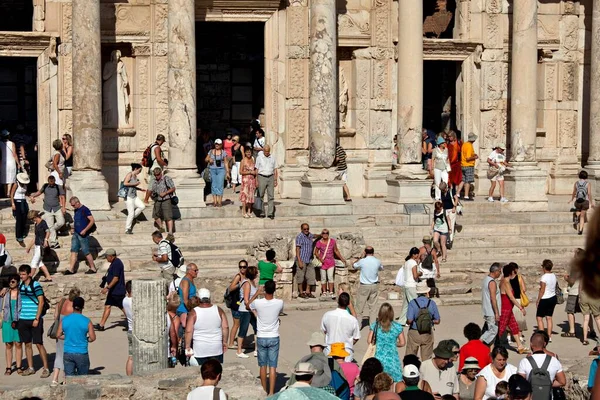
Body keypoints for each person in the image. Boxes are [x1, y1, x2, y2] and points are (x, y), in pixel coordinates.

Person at [250, 279, 284, 396]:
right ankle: (271, 392)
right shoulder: (279, 302)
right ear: (274, 290)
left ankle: (264, 390)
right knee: (273, 366)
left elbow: (248, 304)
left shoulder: (258, 303)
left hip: (261, 336)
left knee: (262, 365)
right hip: (273, 336)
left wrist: (257, 293)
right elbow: (278, 313)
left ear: (264, 289)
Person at [17, 265, 50, 377]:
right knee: (27, 344)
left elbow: (41, 302)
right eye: (20, 274)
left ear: (29, 274)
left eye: (23, 274)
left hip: (34, 319)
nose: (21, 276)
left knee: (39, 344)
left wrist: (37, 318)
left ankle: (46, 368)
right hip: (23, 318)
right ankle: (31, 367)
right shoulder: (21, 284)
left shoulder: (35, 285)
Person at [185, 288, 229, 366]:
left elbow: (189, 331)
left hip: (200, 348)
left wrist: (187, 346)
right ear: (209, 298)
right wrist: (224, 342)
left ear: (198, 299)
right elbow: (225, 327)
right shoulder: (219, 310)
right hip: (216, 347)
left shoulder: (193, 312)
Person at [56, 297, 95, 376]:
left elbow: (58, 335)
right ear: (82, 307)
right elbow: (92, 338)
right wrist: (86, 339)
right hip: (81, 352)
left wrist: (67, 337)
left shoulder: (65, 320)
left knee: (69, 377)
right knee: (83, 378)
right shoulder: (87, 321)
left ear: (72, 306)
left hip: (68, 352)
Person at [368, 303, 405, 382]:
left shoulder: (375, 325)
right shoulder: (397, 327)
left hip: (378, 358)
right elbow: (402, 343)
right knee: (394, 381)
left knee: (379, 381)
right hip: (392, 359)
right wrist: (393, 343)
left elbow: (369, 341)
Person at [50, 287, 79, 386]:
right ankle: (66, 378)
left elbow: (55, 316)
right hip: (69, 334)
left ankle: (54, 379)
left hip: (59, 331)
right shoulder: (75, 307)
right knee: (69, 357)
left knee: (59, 354)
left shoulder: (62, 302)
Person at [405, 280, 440, 361]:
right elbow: (437, 320)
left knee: (410, 358)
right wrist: (430, 321)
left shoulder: (412, 303)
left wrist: (407, 323)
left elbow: (409, 320)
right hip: (427, 332)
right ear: (426, 292)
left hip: (414, 331)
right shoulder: (431, 303)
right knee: (427, 359)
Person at [321, 292, 360, 361]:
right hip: (346, 352)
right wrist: (349, 343)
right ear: (348, 303)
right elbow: (356, 337)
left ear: (338, 302)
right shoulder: (352, 320)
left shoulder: (327, 315)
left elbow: (324, 330)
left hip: (330, 350)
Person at [498, 264, 528, 353]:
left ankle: (520, 346)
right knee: (501, 328)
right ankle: (493, 346)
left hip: (509, 308)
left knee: (514, 327)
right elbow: (511, 297)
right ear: (511, 272)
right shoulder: (505, 283)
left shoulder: (505, 281)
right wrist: (521, 308)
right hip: (505, 308)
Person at [94, 249, 126, 331]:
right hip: (113, 291)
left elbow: (116, 278)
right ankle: (101, 325)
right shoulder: (114, 263)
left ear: (111, 256)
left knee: (123, 307)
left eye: (106, 256)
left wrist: (107, 288)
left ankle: (132, 323)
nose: (106, 258)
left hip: (117, 290)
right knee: (107, 306)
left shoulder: (117, 264)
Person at [29, 175, 65, 249]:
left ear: (54, 181)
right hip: (47, 209)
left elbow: (62, 197)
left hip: (57, 208)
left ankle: (52, 230)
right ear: (48, 181)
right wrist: (33, 196)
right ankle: (53, 243)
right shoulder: (45, 186)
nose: (51, 184)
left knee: (61, 222)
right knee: (50, 225)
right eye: (50, 183)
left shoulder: (58, 187)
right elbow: (39, 192)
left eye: (52, 183)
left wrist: (63, 207)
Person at [64, 197, 98, 275]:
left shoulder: (85, 209)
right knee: (73, 251)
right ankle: (71, 269)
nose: (73, 207)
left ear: (77, 203)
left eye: (73, 205)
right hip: (76, 233)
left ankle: (93, 268)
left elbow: (92, 220)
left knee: (86, 251)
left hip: (83, 234)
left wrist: (85, 230)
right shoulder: (76, 210)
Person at [352, 246, 383, 325]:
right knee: (373, 307)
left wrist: (360, 257)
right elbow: (381, 268)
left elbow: (354, 265)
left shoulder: (362, 261)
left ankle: (358, 325)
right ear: (373, 252)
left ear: (365, 252)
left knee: (359, 307)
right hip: (374, 285)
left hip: (364, 286)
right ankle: (372, 326)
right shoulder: (377, 261)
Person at [314, 229, 347, 297]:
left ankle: (331, 292)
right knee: (323, 278)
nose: (325, 234)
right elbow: (316, 252)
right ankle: (324, 292)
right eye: (323, 233)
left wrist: (342, 258)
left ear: (328, 234)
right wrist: (320, 259)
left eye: (326, 233)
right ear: (322, 234)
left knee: (330, 277)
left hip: (331, 262)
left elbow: (336, 250)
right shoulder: (319, 242)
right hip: (323, 262)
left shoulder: (332, 241)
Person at [1, 274, 22, 376]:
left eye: (13, 281)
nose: (11, 283)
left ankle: (18, 366)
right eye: (10, 281)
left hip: (18, 321)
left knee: (18, 344)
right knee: (8, 344)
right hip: (7, 321)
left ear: (18, 282)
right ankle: (9, 367)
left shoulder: (21, 293)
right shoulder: (5, 293)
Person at [236, 265, 258, 358]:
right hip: (246, 310)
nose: (258, 273)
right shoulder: (247, 284)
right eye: (256, 272)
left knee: (257, 328)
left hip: (251, 309)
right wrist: (252, 310)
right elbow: (246, 300)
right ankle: (239, 350)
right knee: (243, 329)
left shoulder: (252, 282)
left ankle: (257, 349)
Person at [25, 211, 53, 282]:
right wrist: (29, 246)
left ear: (35, 217)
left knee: (34, 262)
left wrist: (46, 240)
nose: (32, 220)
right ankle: (48, 277)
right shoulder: (36, 224)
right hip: (37, 245)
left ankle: (30, 278)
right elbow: (36, 236)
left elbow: (48, 231)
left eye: (32, 219)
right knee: (40, 263)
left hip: (41, 246)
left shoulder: (43, 223)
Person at [226, 260, 248, 349]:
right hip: (236, 304)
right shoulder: (238, 277)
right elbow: (231, 288)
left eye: (244, 267)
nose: (242, 269)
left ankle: (241, 342)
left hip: (241, 304)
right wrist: (239, 285)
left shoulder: (246, 276)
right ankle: (231, 343)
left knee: (242, 323)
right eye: (240, 267)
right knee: (236, 324)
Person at [536, 259, 557, 342]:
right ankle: (549, 336)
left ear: (544, 267)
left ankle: (542, 336)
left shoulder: (544, 277)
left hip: (545, 298)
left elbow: (542, 290)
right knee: (549, 317)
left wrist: (538, 300)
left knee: (539, 317)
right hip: (553, 297)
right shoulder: (553, 275)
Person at [481, 263, 502, 346]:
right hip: (491, 311)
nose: (500, 273)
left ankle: (490, 350)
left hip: (487, 309)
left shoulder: (486, 279)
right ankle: (479, 343)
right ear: (495, 271)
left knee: (492, 331)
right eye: (499, 271)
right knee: (493, 331)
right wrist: (496, 313)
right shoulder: (492, 282)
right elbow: (493, 298)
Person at [255, 144, 278, 219]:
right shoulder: (259, 158)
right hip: (261, 176)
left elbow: (275, 169)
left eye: (268, 151)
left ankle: (270, 213)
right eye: (265, 151)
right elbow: (256, 169)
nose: (267, 153)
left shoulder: (273, 158)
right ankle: (262, 212)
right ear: (263, 150)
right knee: (261, 195)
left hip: (270, 176)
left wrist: (275, 180)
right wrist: (256, 180)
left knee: (271, 195)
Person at [150, 168, 175, 235]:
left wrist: (165, 193)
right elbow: (153, 190)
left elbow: (173, 188)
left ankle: (170, 232)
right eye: (155, 175)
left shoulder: (166, 178)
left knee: (168, 216)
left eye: (158, 175)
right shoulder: (154, 181)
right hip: (157, 199)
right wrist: (152, 195)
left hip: (166, 199)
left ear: (161, 173)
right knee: (155, 215)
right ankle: (161, 227)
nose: (157, 176)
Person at [143, 134, 168, 204]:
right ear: (161, 140)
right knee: (151, 185)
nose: (163, 143)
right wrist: (166, 165)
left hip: (153, 167)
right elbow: (159, 159)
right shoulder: (157, 147)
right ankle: (146, 200)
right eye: (163, 141)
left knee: (157, 184)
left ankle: (157, 198)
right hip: (156, 168)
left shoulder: (152, 145)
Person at [206, 138, 230, 207]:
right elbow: (206, 159)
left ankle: (219, 201)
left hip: (221, 169)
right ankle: (215, 201)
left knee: (220, 185)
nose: (217, 145)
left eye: (218, 144)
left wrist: (227, 172)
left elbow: (226, 162)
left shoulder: (223, 152)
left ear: (221, 145)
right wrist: (209, 159)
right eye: (216, 144)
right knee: (213, 185)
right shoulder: (211, 151)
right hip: (213, 169)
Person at [123, 163, 146, 234]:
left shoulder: (135, 176)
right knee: (131, 213)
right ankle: (127, 229)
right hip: (128, 197)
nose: (140, 172)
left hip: (134, 196)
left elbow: (132, 186)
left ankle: (133, 218)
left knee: (142, 206)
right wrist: (135, 184)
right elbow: (125, 183)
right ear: (135, 169)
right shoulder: (129, 174)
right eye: (139, 170)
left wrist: (139, 189)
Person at [569, 170, 594, 235]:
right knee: (582, 216)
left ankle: (577, 216)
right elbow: (589, 194)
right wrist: (591, 202)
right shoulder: (588, 184)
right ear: (586, 176)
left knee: (578, 211)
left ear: (579, 176)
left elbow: (574, 192)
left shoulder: (576, 183)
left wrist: (571, 199)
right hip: (585, 202)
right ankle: (580, 230)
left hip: (577, 201)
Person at [508, 263, 527, 344]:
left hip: (509, 300)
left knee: (510, 319)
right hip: (518, 300)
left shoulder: (506, 278)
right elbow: (524, 289)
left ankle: (508, 337)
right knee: (519, 319)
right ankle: (520, 337)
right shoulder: (519, 277)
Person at [296, 223, 316, 299]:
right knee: (300, 276)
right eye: (305, 229)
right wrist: (299, 260)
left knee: (311, 276)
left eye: (307, 228)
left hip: (309, 259)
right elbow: (297, 249)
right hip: (302, 259)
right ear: (301, 229)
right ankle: (301, 292)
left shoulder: (310, 235)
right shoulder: (299, 237)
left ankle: (308, 291)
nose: (306, 230)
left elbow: (314, 235)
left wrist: (321, 235)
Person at [458, 132, 478, 201]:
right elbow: (468, 158)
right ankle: (466, 196)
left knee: (463, 180)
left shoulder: (464, 144)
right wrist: (475, 157)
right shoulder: (469, 146)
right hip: (468, 165)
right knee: (468, 181)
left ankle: (457, 193)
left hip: (463, 165)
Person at [177, 263, 198, 330]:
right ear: (189, 271)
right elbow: (185, 299)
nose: (197, 272)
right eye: (195, 270)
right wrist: (191, 311)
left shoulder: (191, 280)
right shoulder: (186, 281)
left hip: (189, 309)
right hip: (184, 310)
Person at [10, 172, 30, 244]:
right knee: (19, 219)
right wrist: (12, 203)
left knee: (24, 217)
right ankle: (18, 236)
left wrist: (30, 197)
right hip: (17, 202)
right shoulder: (16, 184)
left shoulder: (25, 185)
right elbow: (11, 194)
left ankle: (23, 231)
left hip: (23, 201)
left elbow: (26, 192)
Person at [0, 129, 19, 196]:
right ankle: (8, 193)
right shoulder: (12, 143)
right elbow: (14, 154)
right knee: (11, 178)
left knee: (4, 178)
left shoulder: (0, 144)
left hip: (3, 163)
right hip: (11, 162)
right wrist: (18, 163)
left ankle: (6, 193)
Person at [239, 147, 256, 218]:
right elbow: (240, 171)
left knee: (250, 195)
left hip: (252, 180)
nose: (248, 153)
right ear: (245, 153)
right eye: (247, 152)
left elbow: (255, 169)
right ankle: (244, 211)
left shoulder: (253, 159)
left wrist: (255, 174)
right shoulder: (243, 161)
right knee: (245, 195)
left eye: (250, 152)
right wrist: (249, 172)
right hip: (245, 180)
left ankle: (249, 211)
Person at [432, 136, 450, 201]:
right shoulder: (435, 150)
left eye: (444, 143)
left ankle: (446, 195)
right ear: (439, 144)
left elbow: (447, 159)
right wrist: (432, 168)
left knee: (446, 181)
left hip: (444, 168)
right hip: (437, 168)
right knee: (437, 182)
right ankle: (437, 197)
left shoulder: (446, 150)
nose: (444, 144)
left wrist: (448, 167)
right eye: (442, 143)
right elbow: (433, 159)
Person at [122, 280, 133, 376]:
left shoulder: (125, 300)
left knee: (131, 357)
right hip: (135, 330)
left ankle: (129, 376)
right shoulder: (133, 301)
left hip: (130, 329)